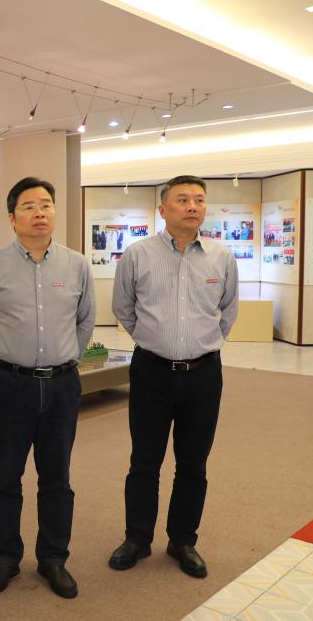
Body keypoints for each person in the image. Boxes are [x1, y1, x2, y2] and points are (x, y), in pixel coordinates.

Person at [0, 177, 95, 600]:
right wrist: (6, 361)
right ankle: (5, 556)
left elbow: (85, 321)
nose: (39, 213)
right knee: (5, 476)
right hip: (9, 385)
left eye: (46, 205)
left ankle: (53, 557)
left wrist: (63, 358)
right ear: (12, 217)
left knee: (57, 478)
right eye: (28, 206)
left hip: (61, 386)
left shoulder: (77, 265)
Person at [109, 175, 238, 579]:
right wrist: (154, 340)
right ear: (163, 209)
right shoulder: (138, 254)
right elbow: (123, 308)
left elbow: (228, 312)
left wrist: (202, 344)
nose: (192, 206)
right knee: (144, 461)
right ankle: (137, 538)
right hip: (151, 372)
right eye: (182, 199)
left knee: (193, 463)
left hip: (204, 375)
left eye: (199, 199)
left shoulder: (221, 257)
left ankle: (183, 540)